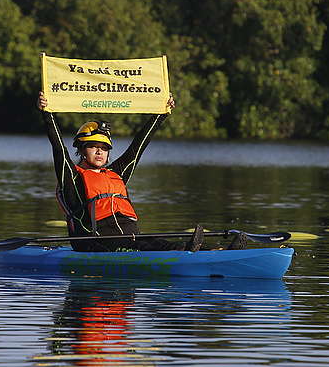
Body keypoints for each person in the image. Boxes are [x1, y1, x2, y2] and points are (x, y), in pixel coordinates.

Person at [38, 91, 206, 252]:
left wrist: (161, 114)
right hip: (95, 242)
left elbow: (138, 146)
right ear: (81, 150)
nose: (99, 152)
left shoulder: (116, 173)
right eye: (93, 147)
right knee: (150, 248)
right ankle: (185, 253)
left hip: (130, 237)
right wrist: (47, 113)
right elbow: (58, 148)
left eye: (104, 148)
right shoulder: (72, 178)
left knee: (158, 243)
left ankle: (213, 251)